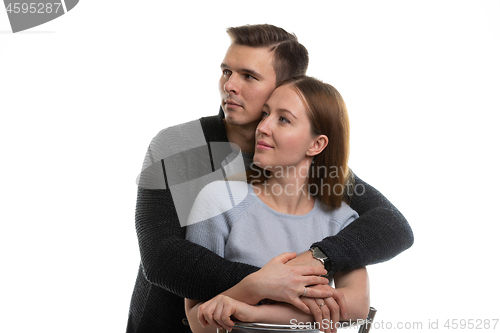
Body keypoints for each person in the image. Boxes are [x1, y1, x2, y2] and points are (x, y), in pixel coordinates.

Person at [127, 24, 413, 333]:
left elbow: (392, 225)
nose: (229, 86)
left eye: (248, 76)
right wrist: (276, 284)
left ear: (286, 86)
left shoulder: (312, 164)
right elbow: (162, 258)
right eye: (226, 72)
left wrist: (320, 258)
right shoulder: (177, 146)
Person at [185, 76, 370, 333]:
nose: (262, 127)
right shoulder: (218, 200)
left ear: (317, 144)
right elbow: (197, 320)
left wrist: (251, 311)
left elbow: (358, 306)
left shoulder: (340, 219)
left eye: (283, 119)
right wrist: (258, 285)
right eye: (265, 114)